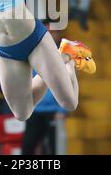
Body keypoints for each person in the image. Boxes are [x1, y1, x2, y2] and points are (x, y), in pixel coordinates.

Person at [22, 20, 67, 155]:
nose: (51, 36)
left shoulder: (65, 55)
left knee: (55, 149)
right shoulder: (32, 54)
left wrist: (61, 110)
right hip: (35, 109)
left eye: (54, 33)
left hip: (54, 110)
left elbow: (67, 84)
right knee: (28, 146)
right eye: (48, 33)